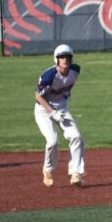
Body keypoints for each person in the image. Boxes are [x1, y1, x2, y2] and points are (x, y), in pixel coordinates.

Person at [34, 44, 86, 187]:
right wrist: (52, 111)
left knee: (76, 137)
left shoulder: (75, 71)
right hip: (43, 110)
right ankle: (48, 171)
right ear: (56, 59)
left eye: (68, 57)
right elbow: (38, 97)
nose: (65, 60)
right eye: (62, 57)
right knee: (52, 141)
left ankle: (76, 173)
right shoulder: (49, 76)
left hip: (62, 109)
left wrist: (60, 108)